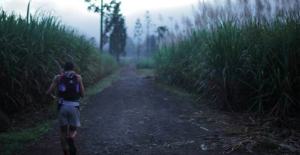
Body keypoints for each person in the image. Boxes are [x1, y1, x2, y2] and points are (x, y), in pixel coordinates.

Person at [46, 62, 85, 155]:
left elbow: (48, 93)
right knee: (73, 130)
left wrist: (53, 97)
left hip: (62, 106)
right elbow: (83, 95)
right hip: (74, 106)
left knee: (63, 131)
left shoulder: (58, 77)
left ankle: (65, 152)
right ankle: (71, 138)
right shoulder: (78, 77)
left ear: (63, 68)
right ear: (73, 68)